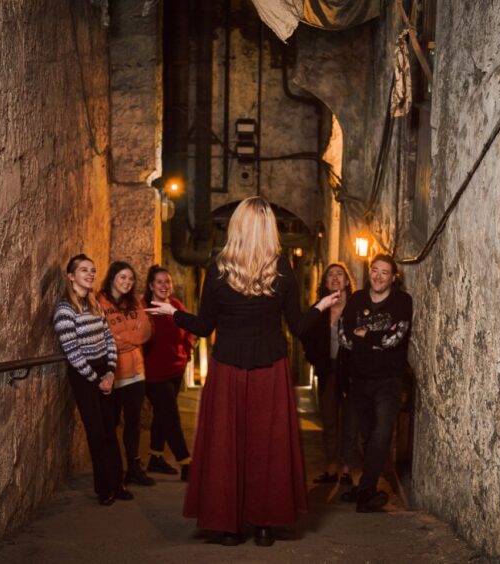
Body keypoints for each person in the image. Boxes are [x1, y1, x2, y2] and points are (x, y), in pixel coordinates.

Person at [146, 196, 340, 547]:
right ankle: (265, 526)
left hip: (227, 368)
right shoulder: (282, 267)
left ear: (236, 225)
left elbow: (204, 327)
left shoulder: (219, 267)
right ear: (269, 229)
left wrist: (172, 313)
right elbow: (297, 326)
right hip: (270, 368)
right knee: (269, 446)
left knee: (226, 444)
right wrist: (321, 305)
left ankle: (229, 526)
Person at [52, 254, 132, 506]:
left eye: (93, 270)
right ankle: (104, 488)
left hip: (104, 371)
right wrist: (96, 379)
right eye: (84, 270)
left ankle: (118, 483)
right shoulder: (64, 310)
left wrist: (109, 371)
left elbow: (109, 338)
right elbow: (72, 352)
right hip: (84, 375)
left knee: (110, 429)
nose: (90, 274)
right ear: (71, 276)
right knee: (96, 432)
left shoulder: (95, 305)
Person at [339, 253, 412, 513]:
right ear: (369, 272)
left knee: (382, 433)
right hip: (359, 379)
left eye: (385, 272)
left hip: (388, 380)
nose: (378, 276)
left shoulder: (402, 302)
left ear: (393, 277)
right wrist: (375, 340)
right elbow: (344, 336)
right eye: (375, 270)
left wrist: (365, 335)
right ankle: (364, 487)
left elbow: (396, 338)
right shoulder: (357, 299)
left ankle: (367, 489)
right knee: (367, 435)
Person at [97, 261, 155, 487]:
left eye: (130, 279)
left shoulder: (135, 302)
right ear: (112, 277)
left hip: (136, 373)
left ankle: (134, 469)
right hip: (113, 373)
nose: (127, 282)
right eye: (122, 277)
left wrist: (122, 338)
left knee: (133, 424)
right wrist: (129, 336)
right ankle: (113, 472)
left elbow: (146, 331)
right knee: (110, 425)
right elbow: (106, 336)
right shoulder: (99, 302)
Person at [301, 263, 358, 487]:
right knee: (329, 419)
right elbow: (305, 335)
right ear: (325, 283)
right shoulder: (319, 310)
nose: (335, 278)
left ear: (346, 282)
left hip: (351, 372)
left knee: (350, 420)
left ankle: (346, 468)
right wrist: (314, 358)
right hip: (328, 371)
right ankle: (332, 466)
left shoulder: (355, 307)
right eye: (330, 275)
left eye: (339, 274)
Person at [142, 265, 194, 481]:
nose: (164, 285)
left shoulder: (175, 305)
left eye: (167, 282)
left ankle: (155, 456)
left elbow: (187, 332)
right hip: (154, 373)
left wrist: (186, 354)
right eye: (160, 282)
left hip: (176, 370)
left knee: (163, 414)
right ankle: (186, 463)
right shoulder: (145, 309)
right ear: (151, 286)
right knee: (171, 415)